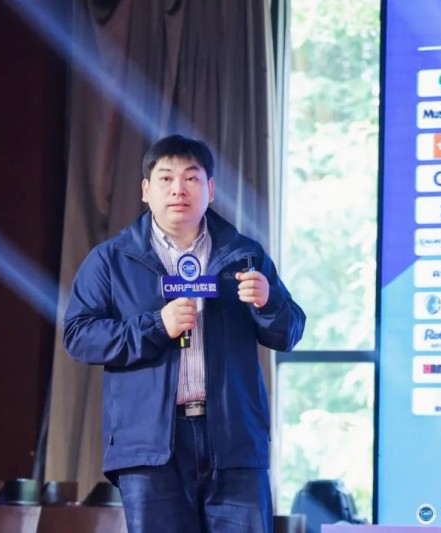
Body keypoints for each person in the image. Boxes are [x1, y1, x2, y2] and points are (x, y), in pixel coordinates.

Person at [63, 134, 306, 533]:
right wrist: (157, 326)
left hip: (234, 441)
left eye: (192, 178)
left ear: (210, 189)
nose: (179, 189)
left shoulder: (245, 254)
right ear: (146, 190)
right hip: (150, 447)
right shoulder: (111, 259)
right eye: (166, 178)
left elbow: (290, 332)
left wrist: (269, 302)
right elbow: (79, 335)